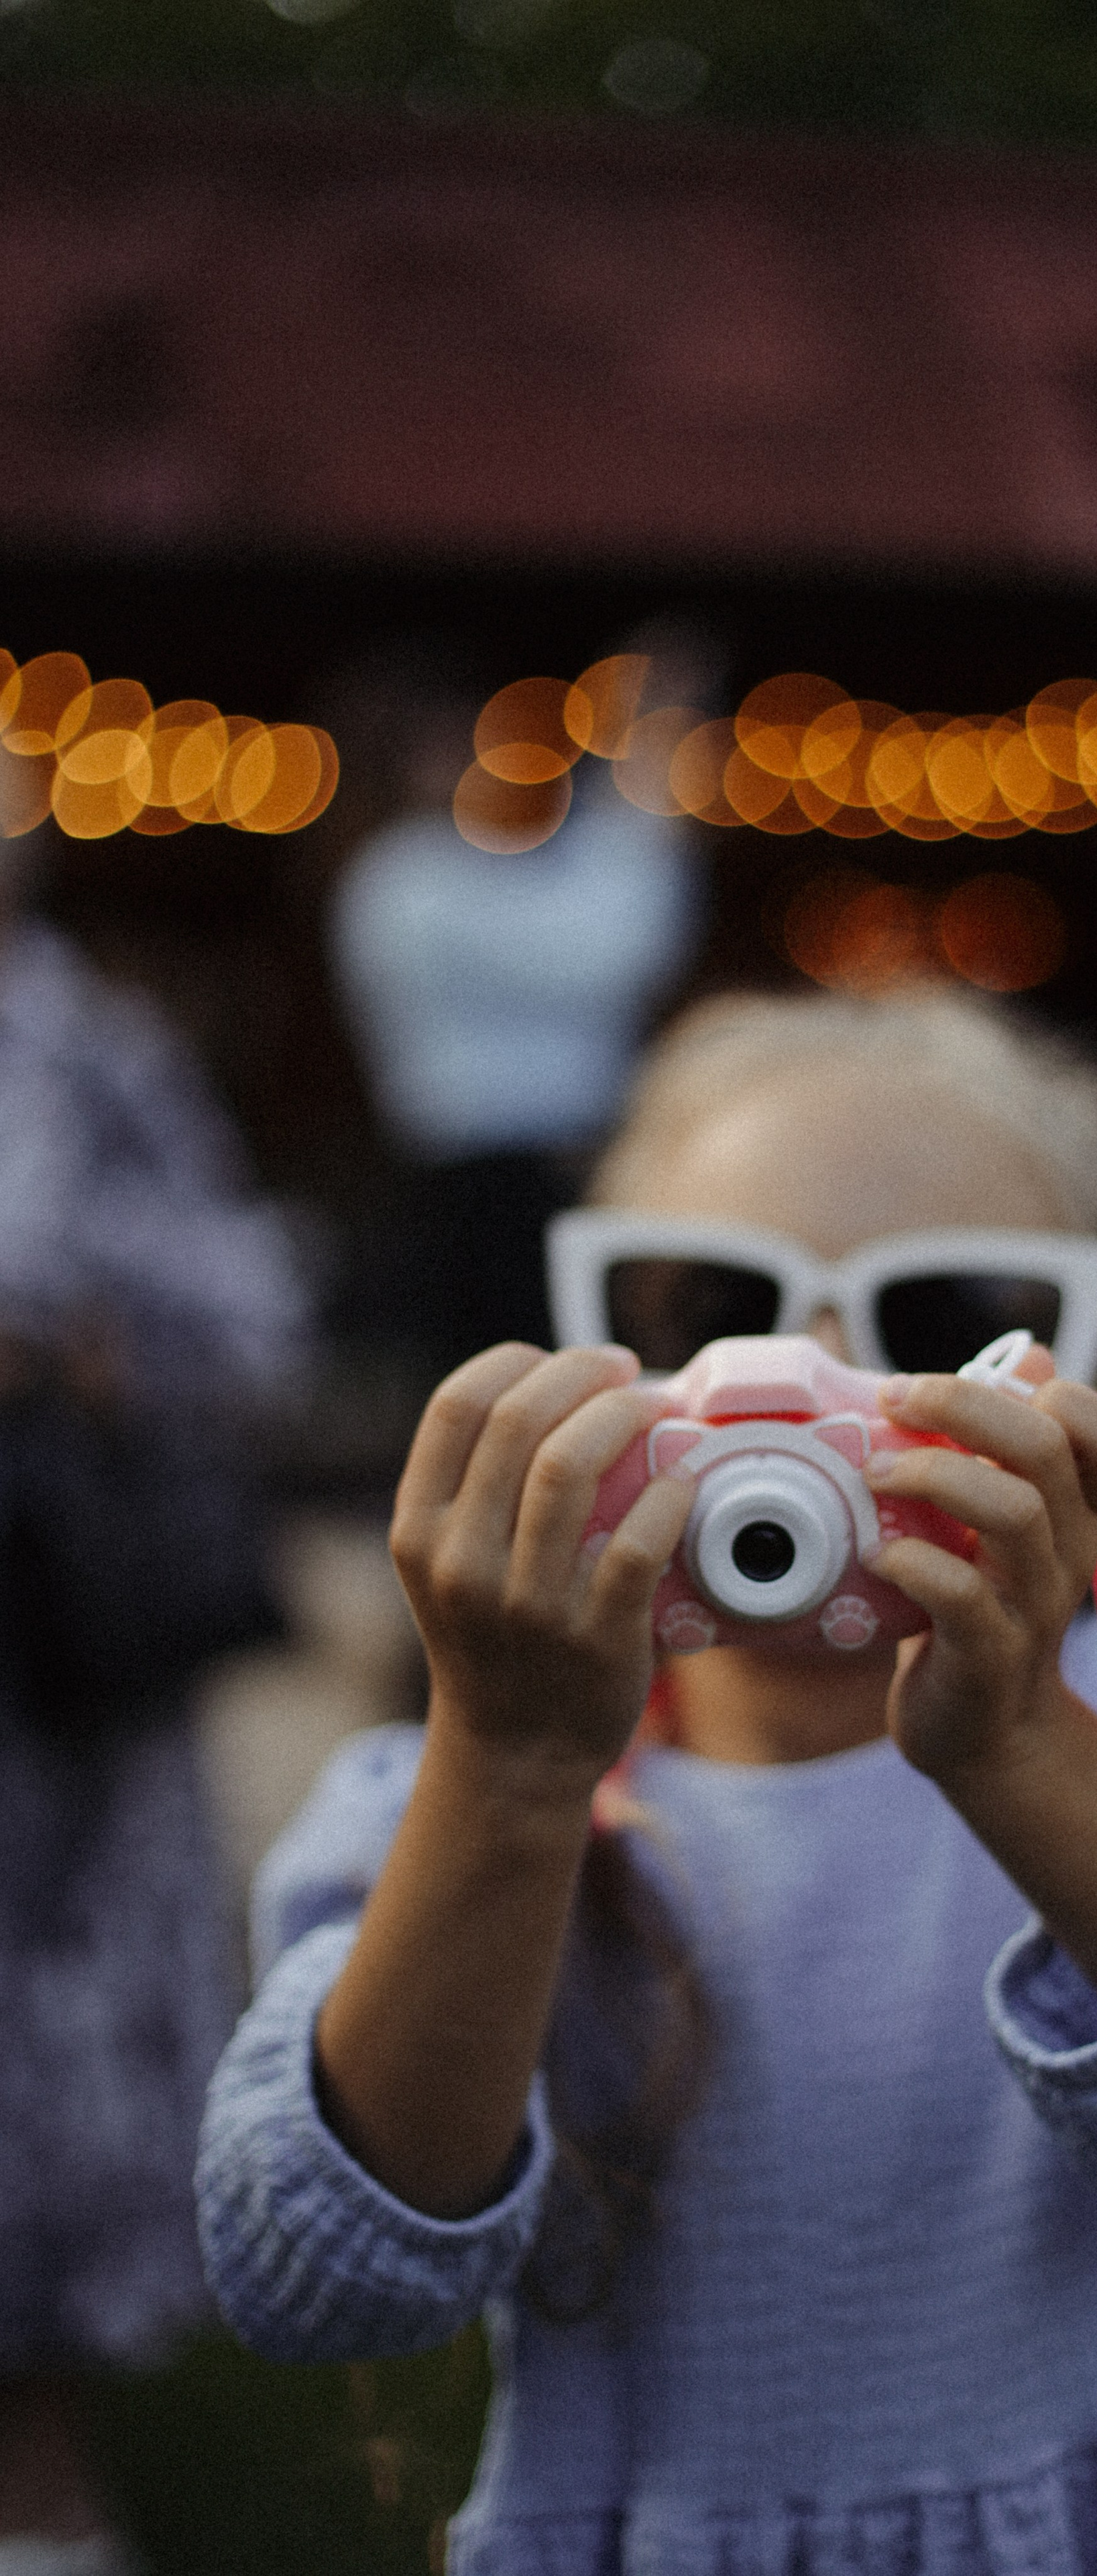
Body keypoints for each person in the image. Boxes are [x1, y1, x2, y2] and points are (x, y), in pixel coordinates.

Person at [197, 989, 1097, 2576]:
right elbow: (319, 2279)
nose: (809, 1385)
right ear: (590, 1355)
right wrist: (513, 1770)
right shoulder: (470, 1802)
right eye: (711, 1298)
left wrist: (1018, 1750)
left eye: (938, 1319)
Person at [0, 848, 307, 2576]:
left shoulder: (93, 1059)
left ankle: (47, 2509)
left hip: (54, 1662)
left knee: (50, 2075)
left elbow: (247, 1307)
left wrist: (76, 1339)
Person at [327, 636, 706, 1381]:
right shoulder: (406, 881)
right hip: (485, 1190)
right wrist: (651, 757)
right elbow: (611, 944)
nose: (478, 762)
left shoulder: (443, 876)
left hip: (521, 1180)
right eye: (451, 744)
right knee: (511, 1390)